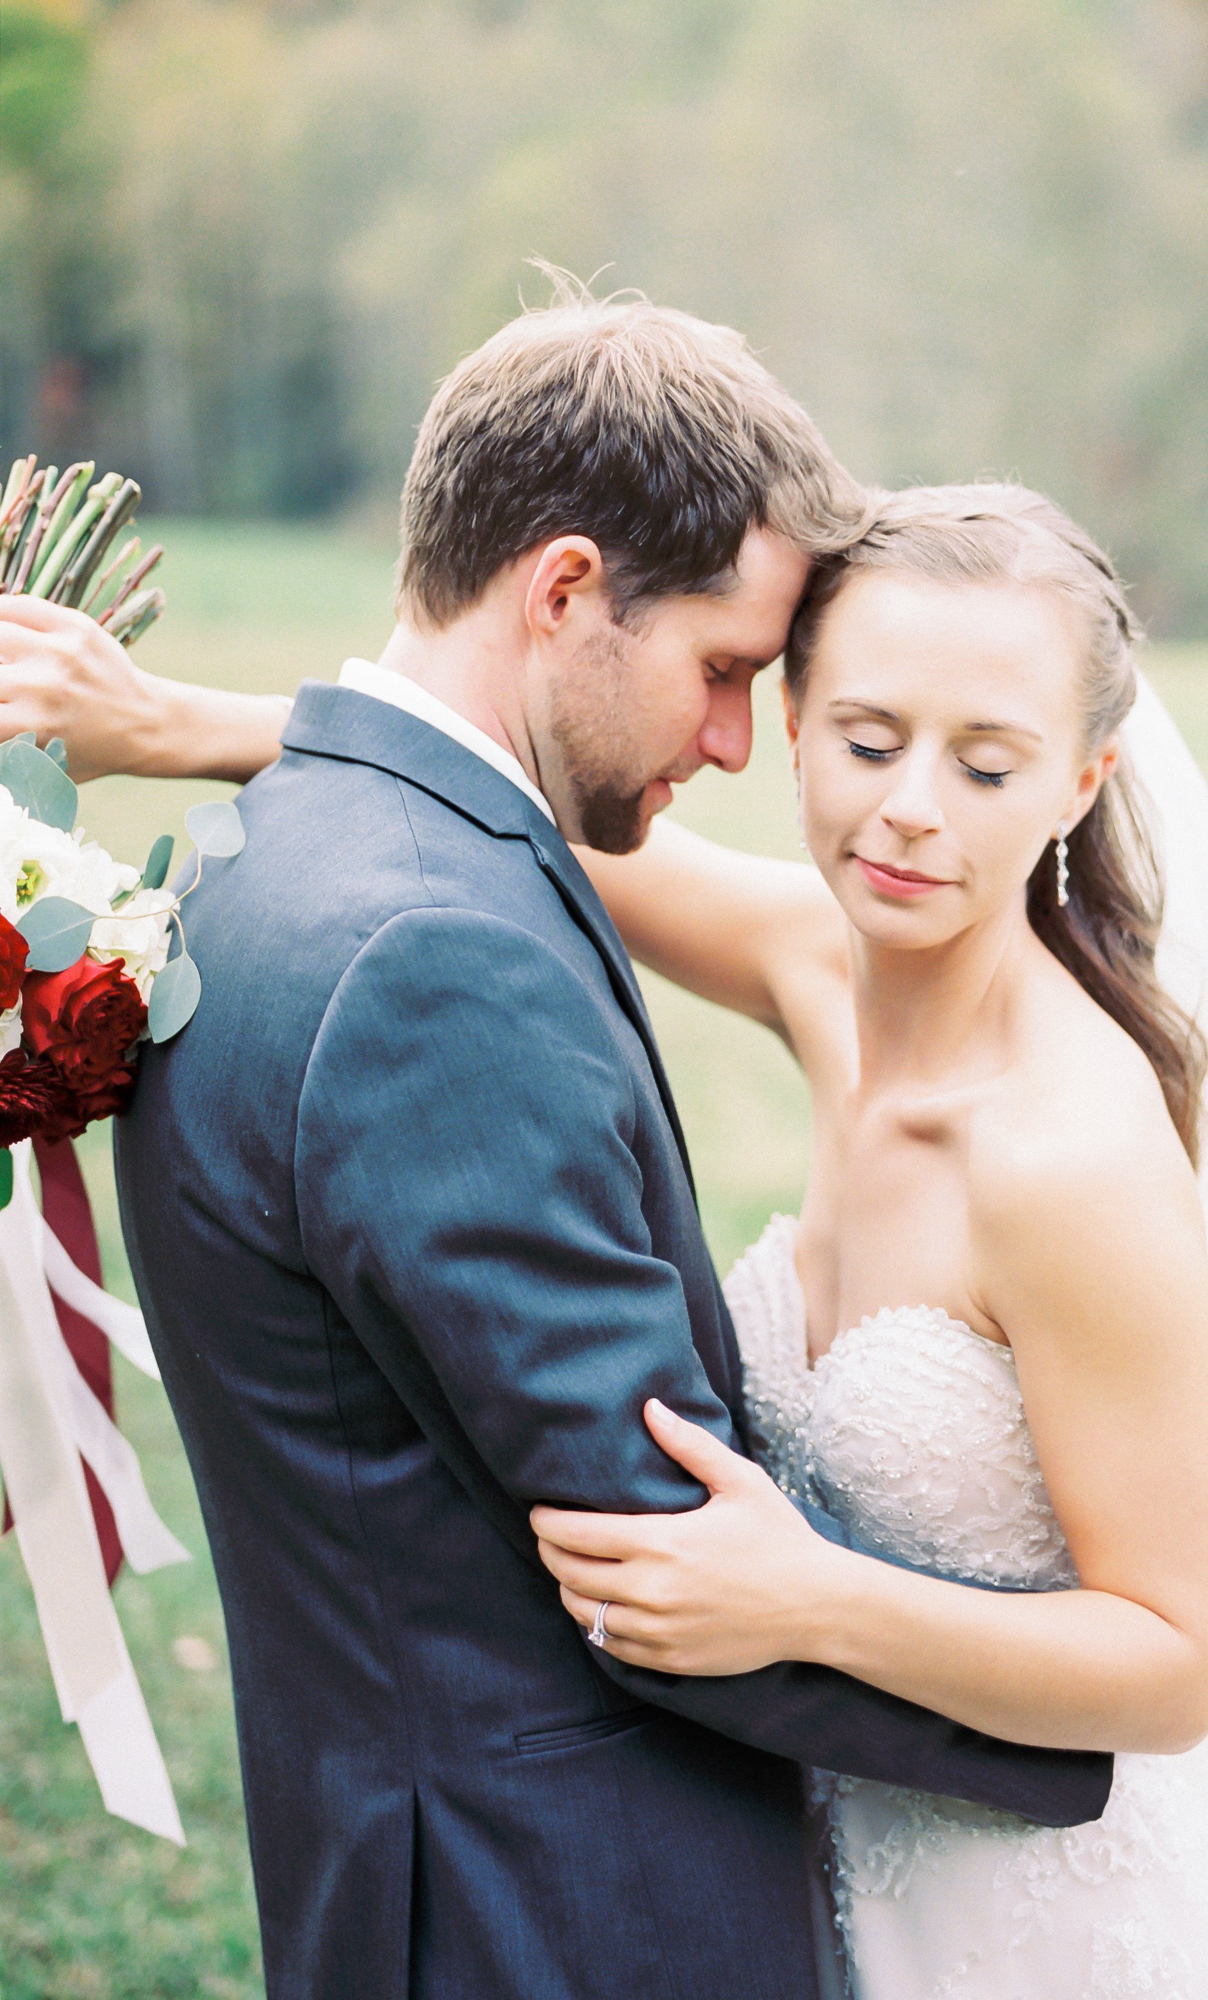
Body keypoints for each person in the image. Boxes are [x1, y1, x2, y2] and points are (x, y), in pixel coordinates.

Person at [6, 454, 1208, 1999]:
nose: (910, 814)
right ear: (792, 729)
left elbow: (1177, 1664)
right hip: (813, 1855)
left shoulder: (1065, 1160)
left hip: (1037, 1912)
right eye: (866, 739)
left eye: (986, 767)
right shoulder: (816, 958)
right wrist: (168, 727)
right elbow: (494, 798)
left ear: (1081, 782)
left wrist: (813, 1597)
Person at [0, 307, 1110, 2000]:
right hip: (567, 1917)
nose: (742, 742)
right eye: (727, 670)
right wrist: (1093, 1740)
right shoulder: (430, 965)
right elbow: (657, 1550)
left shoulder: (287, 846)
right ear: (568, 589)